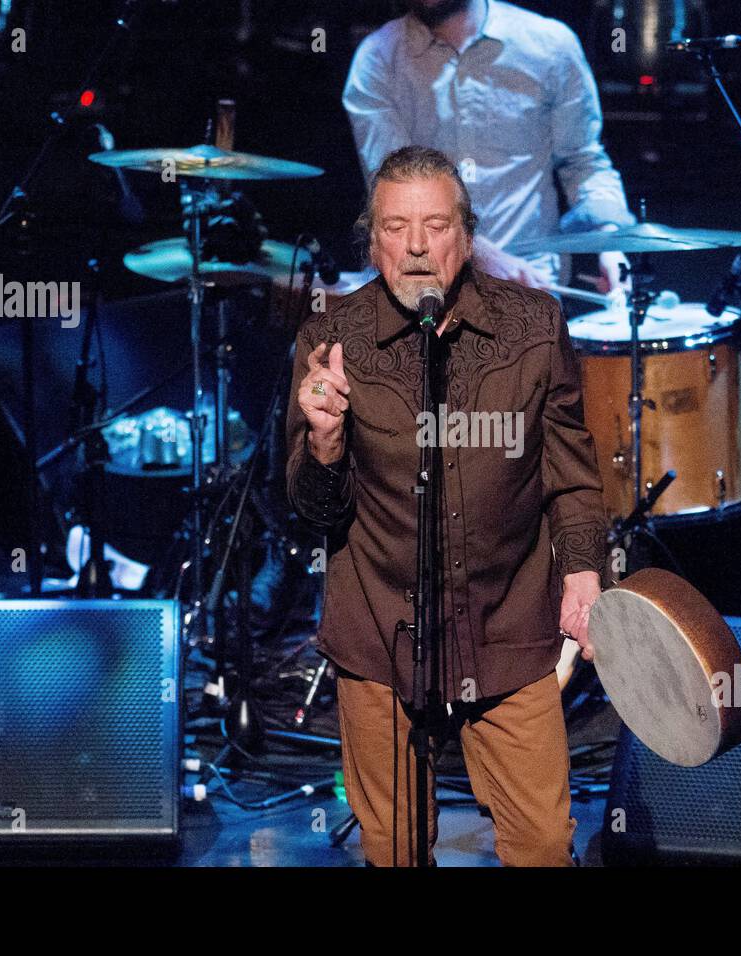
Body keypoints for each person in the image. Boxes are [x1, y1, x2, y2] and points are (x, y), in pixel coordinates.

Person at [285, 145, 606, 866]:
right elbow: (311, 511)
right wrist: (327, 442)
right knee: (395, 848)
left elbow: (573, 477)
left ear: (467, 235)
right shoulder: (330, 339)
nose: (418, 246)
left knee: (545, 845)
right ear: (372, 240)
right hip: (380, 634)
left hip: (505, 626)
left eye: (436, 225)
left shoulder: (536, 327)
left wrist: (584, 575)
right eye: (397, 227)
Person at [343, 0, 635, 292]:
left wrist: (609, 243)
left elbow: (583, 162)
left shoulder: (551, 45)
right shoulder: (377, 58)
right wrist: (478, 253)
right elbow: (397, 189)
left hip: (530, 288)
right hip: (419, 292)